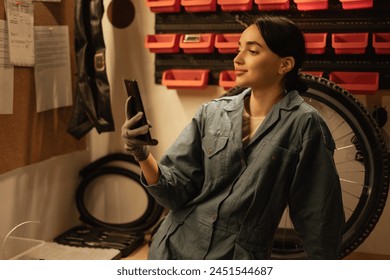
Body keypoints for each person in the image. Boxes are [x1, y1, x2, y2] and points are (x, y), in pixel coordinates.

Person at [121, 15, 345, 260]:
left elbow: (319, 218)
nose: (237, 59)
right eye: (239, 48)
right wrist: (142, 154)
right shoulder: (211, 113)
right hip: (173, 248)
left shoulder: (304, 125)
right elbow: (174, 193)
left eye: (252, 51)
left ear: (285, 64)